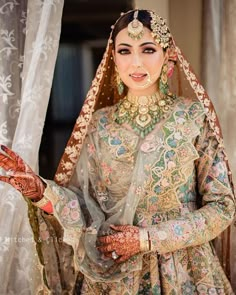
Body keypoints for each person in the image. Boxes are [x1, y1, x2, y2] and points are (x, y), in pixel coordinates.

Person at [0, 9, 235, 294]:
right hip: (114, 274)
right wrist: (41, 192)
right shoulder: (101, 125)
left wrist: (148, 238)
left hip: (184, 272)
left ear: (168, 55)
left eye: (148, 49)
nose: (136, 62)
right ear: (113, 57)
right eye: (125, 50)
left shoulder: (193, 118)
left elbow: (223, 206)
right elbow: (87, 207)